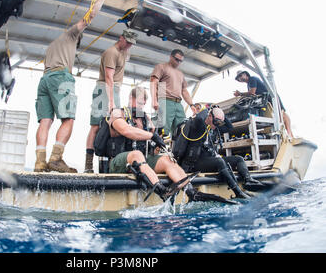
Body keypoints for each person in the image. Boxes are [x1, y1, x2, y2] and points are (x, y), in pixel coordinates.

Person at [106, 87, 234, 204]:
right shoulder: (117, 113)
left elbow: (153, 148)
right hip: (119, 163)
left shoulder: (145, 118)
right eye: (139, 103)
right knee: (137, 154)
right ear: (130, 99)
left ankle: (191, 192)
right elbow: (126, 130)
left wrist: (157, 143)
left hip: (141, 162)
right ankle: (163, 192)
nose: (141, 107)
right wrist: (151, 136)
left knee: (167, 159)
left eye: (143, 104)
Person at [34, 0, 110, 173]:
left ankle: (39, 162)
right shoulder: (71, 35)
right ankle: (56, 158)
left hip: (45, 79)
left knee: (45, 121)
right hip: (61, 77)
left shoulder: (51, 46)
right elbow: (90, 16)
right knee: (68, 119)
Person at [173, 106, 265, 199]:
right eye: (216, 121)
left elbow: (229, 127)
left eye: (219, 123)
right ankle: (238, 192)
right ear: (209, 117)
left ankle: (248, 181)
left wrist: (221, 116)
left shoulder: (214, 128)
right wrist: (209, 109)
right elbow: (200, 117)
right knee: (219, 161)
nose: (217, 125)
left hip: (209, 160)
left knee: (238, 159)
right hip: (195, 162)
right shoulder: (198, 125)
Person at [84, 29, 138, 173]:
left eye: (131, 43)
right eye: (127, 42)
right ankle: (88, 166)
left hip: (115, 90)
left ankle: (112, 164)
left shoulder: (124, 52)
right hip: (104, 90)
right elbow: (109, 78)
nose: (129, 45)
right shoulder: (111, 52)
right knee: (96, 126)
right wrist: (111, 103)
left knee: (114, 128)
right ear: (121, 38)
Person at [150, 49, 197, 138]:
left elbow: (184, 91)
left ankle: (177, 151)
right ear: (171, 56)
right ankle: (154, 151)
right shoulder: (161, 67)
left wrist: (191, 105)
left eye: (181, 61)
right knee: (161, 130)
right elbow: (153, 83)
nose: (178, 62)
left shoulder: (180, 73)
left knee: (182, 131)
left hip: (178, 104)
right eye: (176, 59)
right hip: (165, 101)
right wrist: (154, 100)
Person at [234, 70, 294, 139]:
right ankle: (287, 133)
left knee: (282, 113)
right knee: (278, 115)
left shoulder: (252, 79)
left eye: (240, 76)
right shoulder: (249, 84)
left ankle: (290, 133)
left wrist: (240, 94)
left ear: (245, 74)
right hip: (265, 100)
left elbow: (252, 92)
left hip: (271, 96)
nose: (240, 78)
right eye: (238, 78)